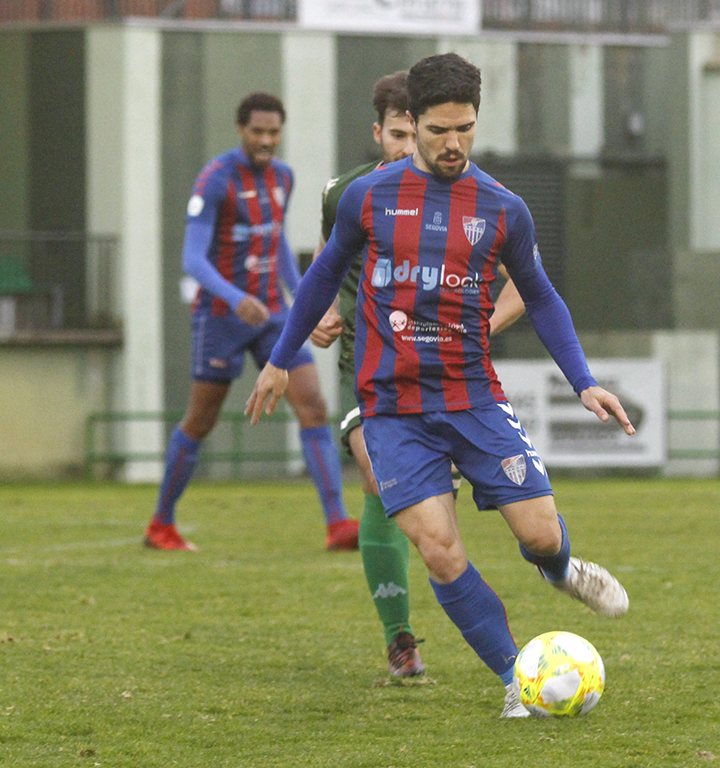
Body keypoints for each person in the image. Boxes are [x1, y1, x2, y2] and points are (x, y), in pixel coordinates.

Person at [246, 53, 633, 717]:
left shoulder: (503, 208)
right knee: (439, 548)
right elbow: (318, 279)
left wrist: (583, 381)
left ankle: (562, 569)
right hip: (393, 410)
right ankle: (518, 680)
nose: (454, 143)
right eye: (438, 130)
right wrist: (281, 357)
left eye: (466, 129)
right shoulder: (367, 198)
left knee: (540, 535)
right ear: (411, 124)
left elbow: (539, 295)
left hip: (473, 397)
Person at [309, 71, 525, 678]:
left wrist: (480, 328)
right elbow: (329, 272)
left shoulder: (473, 197)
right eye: (400, 135)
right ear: (379, 132)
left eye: (419, 134)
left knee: (435, 517)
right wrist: (322, 316)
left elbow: (526, 287)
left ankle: (494, 640)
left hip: (444, 376)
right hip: (367, 369)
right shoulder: (349, 195)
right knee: (380, 482)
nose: (410, 148)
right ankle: (400, 635)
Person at [143, 92, 359, 552]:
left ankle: (337, 524)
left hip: (273, 315)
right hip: (221, 316)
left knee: (313, 406)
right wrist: (236, 296)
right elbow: (192, 259)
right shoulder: (215, 180)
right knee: (201, 419)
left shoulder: (283, 177)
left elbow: (276, 240)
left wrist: (305, 299)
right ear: (241, 130)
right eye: (257, 132)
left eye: (273, 132)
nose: (266, 140)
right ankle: (161, 524)